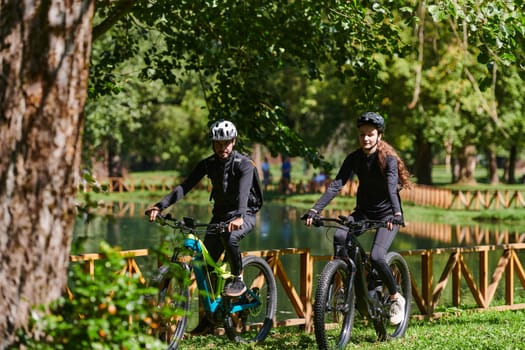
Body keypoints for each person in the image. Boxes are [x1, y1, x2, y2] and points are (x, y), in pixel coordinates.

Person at [302, 112, 412, 326]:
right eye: (362, 135)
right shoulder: (354, 158)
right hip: (363, 212)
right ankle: (344, 285)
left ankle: (396, 297)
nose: (365, 139)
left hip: (388, 215)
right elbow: (336, 185)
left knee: (378, 256)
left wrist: (397, 214)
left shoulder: (387, 159)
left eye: (370, 134)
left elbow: (391, 188)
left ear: (379, 135)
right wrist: (315, 210)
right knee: (340, 235)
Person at [146, 119, 260, 300]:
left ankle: (238, 278)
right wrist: (160, 206)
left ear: (234, 142)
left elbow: (244, 191)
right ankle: (212, 317)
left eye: (226, 143)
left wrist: (239, 216)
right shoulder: (208, 164)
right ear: (213, 144)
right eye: (218, 144)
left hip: (244, 213)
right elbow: (185, 187)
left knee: (229, 237)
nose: (223, 148)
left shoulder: (244, 164)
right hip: (220, 215)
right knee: (206, 266)